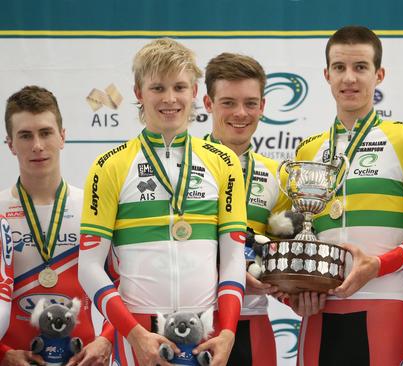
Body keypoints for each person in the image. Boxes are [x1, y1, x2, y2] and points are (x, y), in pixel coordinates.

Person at [77, 38, 247, 366]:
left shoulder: (223, 161)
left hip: (205, 330)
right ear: (139, 93)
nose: (170, 99)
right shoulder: (110, 165)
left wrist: (227, 331)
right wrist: (132, 333)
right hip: (138, 330)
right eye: (157, 88)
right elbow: (89, 267)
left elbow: (232, 259)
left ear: (195, 91)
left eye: (179, 87)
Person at [288, 25, 403, 366]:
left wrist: (378, 266)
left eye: (360, 67)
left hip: (384, 309)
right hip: (319, 316)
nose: (349, 78)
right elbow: (295, 239)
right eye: (339, 67)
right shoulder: (308, 150)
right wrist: (295, 294)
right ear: (326, 74)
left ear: (379, 74)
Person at [0, 85, 113, 365]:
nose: (37, 145)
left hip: (81, 357)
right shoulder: (0, 211)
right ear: (10, 143)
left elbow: (124, 285)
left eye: (46, 133)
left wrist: (106, 339)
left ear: (62, 137)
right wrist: (2, 355)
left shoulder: (93, 207)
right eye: (25, 135)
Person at [202, 52, 291, 366]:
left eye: (251, 103)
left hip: (252, 323)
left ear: (263, 107)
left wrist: (297, 288)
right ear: (208, 104)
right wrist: (230, 273)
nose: (241, 113)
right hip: (193, 322)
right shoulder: (183, 167)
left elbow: (281, 254)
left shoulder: (277, 175)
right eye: (228, 102)